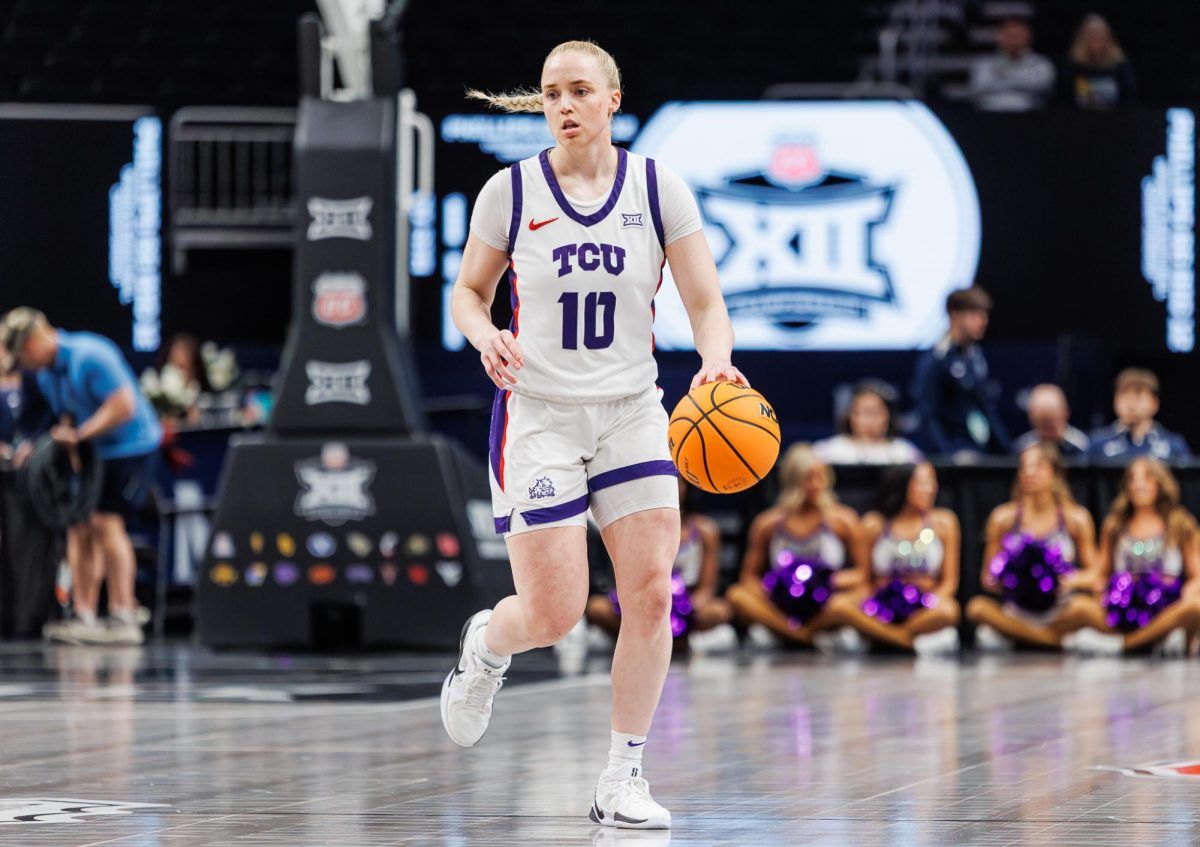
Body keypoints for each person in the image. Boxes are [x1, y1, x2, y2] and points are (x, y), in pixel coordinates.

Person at [440, 40, 746, 831]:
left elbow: (705, 302)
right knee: (555, 613)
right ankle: (487, 644)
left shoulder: (657, 186)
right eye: (550, 93)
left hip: (630, 410)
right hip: (539, 411)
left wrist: (715, 364)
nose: (564, 105)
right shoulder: (509, 193)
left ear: (614, 98)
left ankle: (623, 775)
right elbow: (468, 294)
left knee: (649, 593)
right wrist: (483, 335)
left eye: (580, 90)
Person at [0, 308, 162, 646]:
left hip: (129, 447)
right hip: (92, 451)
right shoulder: (47, 374)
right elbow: (65, 416)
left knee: (106, 523)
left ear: (33, 341)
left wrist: (82, 434)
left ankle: (123, 613)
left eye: (23, 355)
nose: (24, 365)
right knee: (79, 525)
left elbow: (123, 406)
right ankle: (84, 613)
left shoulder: (90, 355)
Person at [1052, 458, 1200, 655]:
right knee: (1078, 607)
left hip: (1165, 607)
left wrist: (1190, 590)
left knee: (1195, 607)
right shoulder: (1115, 525)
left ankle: (1125, 645)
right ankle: (1152, 640)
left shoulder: (1181, 523)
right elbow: (1100, 573)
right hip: (1122, 608)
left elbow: (1196, 574)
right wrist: (1071, 580)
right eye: (1133, 479)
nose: (1139, 485)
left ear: (1160, 484)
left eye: (1147, 479)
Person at [966, 443, 1100, 649]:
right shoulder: (1003, 518)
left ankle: (1027, 638)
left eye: (1038, 466)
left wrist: (1071, 581)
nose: (1029, 472)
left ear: (1055, 473)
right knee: (976, 608)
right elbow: (987, 577)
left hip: (1060, 609)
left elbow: (1095, 574)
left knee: (1085, 609)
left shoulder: (1076, 518)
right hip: (1017, 610)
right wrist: (1013, 580)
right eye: (1024, 467)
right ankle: (1052, 641)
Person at [726, 444, 861, 648]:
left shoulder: (844, 520)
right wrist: (777, 588)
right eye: (808, 478)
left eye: (821, 477)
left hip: (826, 604)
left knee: (843, 606)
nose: (816, 484)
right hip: (782, 605)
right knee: (737, 596)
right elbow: (748, 577)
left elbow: (863, 574)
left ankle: (789, 633)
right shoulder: (767, 523)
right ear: (793, 481)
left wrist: (824, 582)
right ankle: (802, 636)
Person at [825, 463, 962, 654]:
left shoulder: (945, 522)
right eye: (921, 483)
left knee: (949, 611)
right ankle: (907, 642)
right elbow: (865, 578)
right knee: (837, 606)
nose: (929, 489)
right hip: (879, 604)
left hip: (924, 604)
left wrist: (931, 602)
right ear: (902, 485)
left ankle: (883, 638)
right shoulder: (874, 523)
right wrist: (868, 603)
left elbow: (949, 582)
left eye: (932, 482)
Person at [585, 477, 734, 645]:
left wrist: (686, 609)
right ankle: (649, 641)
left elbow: (707, 587)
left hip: (689, 603)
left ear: (687, 487)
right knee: (597, 608)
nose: (671, 488)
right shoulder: (637, 528)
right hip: (644, 601)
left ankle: (667, 641)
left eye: (677, 483)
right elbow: (627, 580)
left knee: (720, 611)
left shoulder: (706, 531)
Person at [911, 286, 1010, 458]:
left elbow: (986, 409)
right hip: (953, 456)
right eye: (974, 314)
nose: (983, 321)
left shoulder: (976, 358)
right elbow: (928, 416)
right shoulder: (936, 360)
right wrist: (948, 457)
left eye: (984, 314)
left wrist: (1007, 451)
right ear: (954, 315)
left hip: (980, 451)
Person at [1088, 368, 1190, 464]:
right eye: (1124, 396)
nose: (1131, 404)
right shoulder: (1098, 444)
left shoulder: (1173, 446)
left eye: (1138, 397)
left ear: (1155, 403)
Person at [813, 380, 923, 466]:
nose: (871, 419)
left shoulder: (903, 453)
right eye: (865, 412)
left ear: (887, 416)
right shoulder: (831, 451)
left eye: (875, 412)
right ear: (851, 416)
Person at [967, 15, 1055, 112]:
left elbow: (1043, 87)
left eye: (1017, 36)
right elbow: (979, 89)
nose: (1013, 40)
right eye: (1009, 35)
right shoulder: (984, 64)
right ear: (998, 37)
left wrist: (1003, 77)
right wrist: (1022, 80)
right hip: (990, 114)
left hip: (1029, 114)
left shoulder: (1041, 63)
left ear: (1028, 36)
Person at [1060, 13, 1136, 111]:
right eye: (1091, 34)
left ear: (1108, 37)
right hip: (1078, 120)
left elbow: (1129, 97)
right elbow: (1064, 98)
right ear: (1082, 37)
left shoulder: (1119, 63)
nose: (1096, 38)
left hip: (1114, 120)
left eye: (1100, 34)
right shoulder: (1072, 64)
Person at [1013, 384, 1089, 457]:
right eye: (1042, 426)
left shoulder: (1081, 447)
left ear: (1065, 413)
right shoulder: (1023, 449)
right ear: (1032, 419)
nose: (1047, 434)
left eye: (1051, 426)